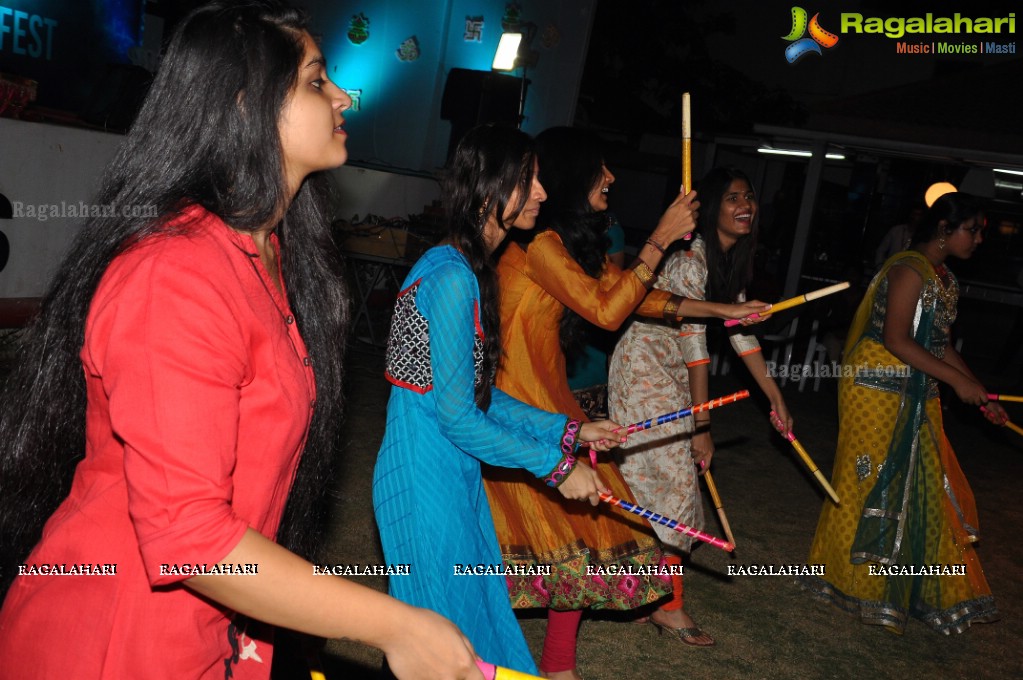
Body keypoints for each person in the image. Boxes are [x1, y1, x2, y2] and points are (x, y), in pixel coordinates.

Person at [0, 3, 483, 678]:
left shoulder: (271, 257)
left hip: (216, 629)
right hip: (117, 638)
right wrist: (395, 626)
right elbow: (187, 538)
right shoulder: (176, 274)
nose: (342, 95)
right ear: (245, 104)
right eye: (317, 80)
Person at [486, 129, 766, 679]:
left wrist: (719, 311)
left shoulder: (564, 246)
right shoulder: (539, 246)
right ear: (574, 176)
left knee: (585, 531)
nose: (611, 178)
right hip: (514, 406)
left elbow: (639, 296)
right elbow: (607, 312)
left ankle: (559, 665)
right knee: (538, 536)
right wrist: (659, 240)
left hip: (550, 400)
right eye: (601, 169)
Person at [372, 124, 623, 676]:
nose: (542, 193)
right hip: (423, 470)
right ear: (490, 189)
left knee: (471, 620)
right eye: (528, 181)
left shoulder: (468, 270)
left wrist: (569, 432)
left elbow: (476, 396)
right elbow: (459, 415)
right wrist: (558, 468)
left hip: (449, 465)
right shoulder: (452, 275)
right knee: (437, 636)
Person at [801, 191, 1007, 634]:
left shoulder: (944, 277)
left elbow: (939, 344)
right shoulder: (908, 269)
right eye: (972, 230)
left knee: (925, 483)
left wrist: (980, 393)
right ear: (945, 230)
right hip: (874, 388)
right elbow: (896, 338)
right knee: (869, 480)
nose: (977, 239)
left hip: (915, 386)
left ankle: (909, 586)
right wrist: (956, 382)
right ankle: (848, 582)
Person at [607, 166, 791, 647]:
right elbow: (695, 347)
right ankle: (666, 605)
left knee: (660, 490)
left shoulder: (727, 263)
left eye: (749, 196)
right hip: (644, 369)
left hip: (668, 372)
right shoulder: (691, 258)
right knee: (673, 488)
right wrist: (701, 424)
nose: (744, 205)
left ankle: (643, 595)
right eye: (732, 198)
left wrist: (774, 395)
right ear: (710, 208)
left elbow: (740, 328)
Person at [874, 204, 924, 269]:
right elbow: (881, 250)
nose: (915, 217)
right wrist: (879, 267)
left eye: (918, 215)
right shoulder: (896, 230)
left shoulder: (922, 237)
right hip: (889, 269)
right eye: (914, 214)